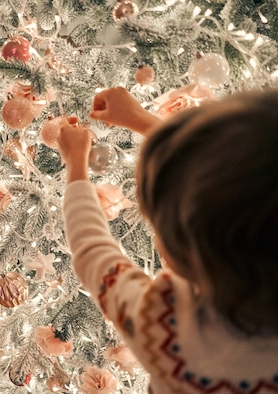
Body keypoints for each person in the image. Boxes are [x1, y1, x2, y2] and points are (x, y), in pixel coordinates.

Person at [55, 87, 278, 393]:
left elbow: (91, 250)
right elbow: (243, 179)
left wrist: (76, 163)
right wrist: (140, 119)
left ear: (193, 257)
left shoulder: (169, 331)